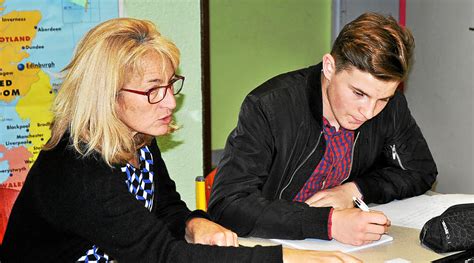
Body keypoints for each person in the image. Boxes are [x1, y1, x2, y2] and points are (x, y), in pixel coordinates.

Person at [0, 18, 361, 263]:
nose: (171, 102)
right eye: (153, 90)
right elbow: (162, 256)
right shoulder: (78, 170)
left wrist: (191, 222)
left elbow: (164, 207)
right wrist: (288, 257)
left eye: (170, 85)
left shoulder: (136, 135)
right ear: (107, 96)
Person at [208, 12, 438, 246]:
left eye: (383, 99)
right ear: (329, 67)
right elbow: (228, 204)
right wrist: (329, 223)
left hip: (346, 248)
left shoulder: (391, 106)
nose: (368, 112)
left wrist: (354, 191)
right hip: (276, 246)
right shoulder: (269, 107)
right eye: (359, 94)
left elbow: (420, 170)